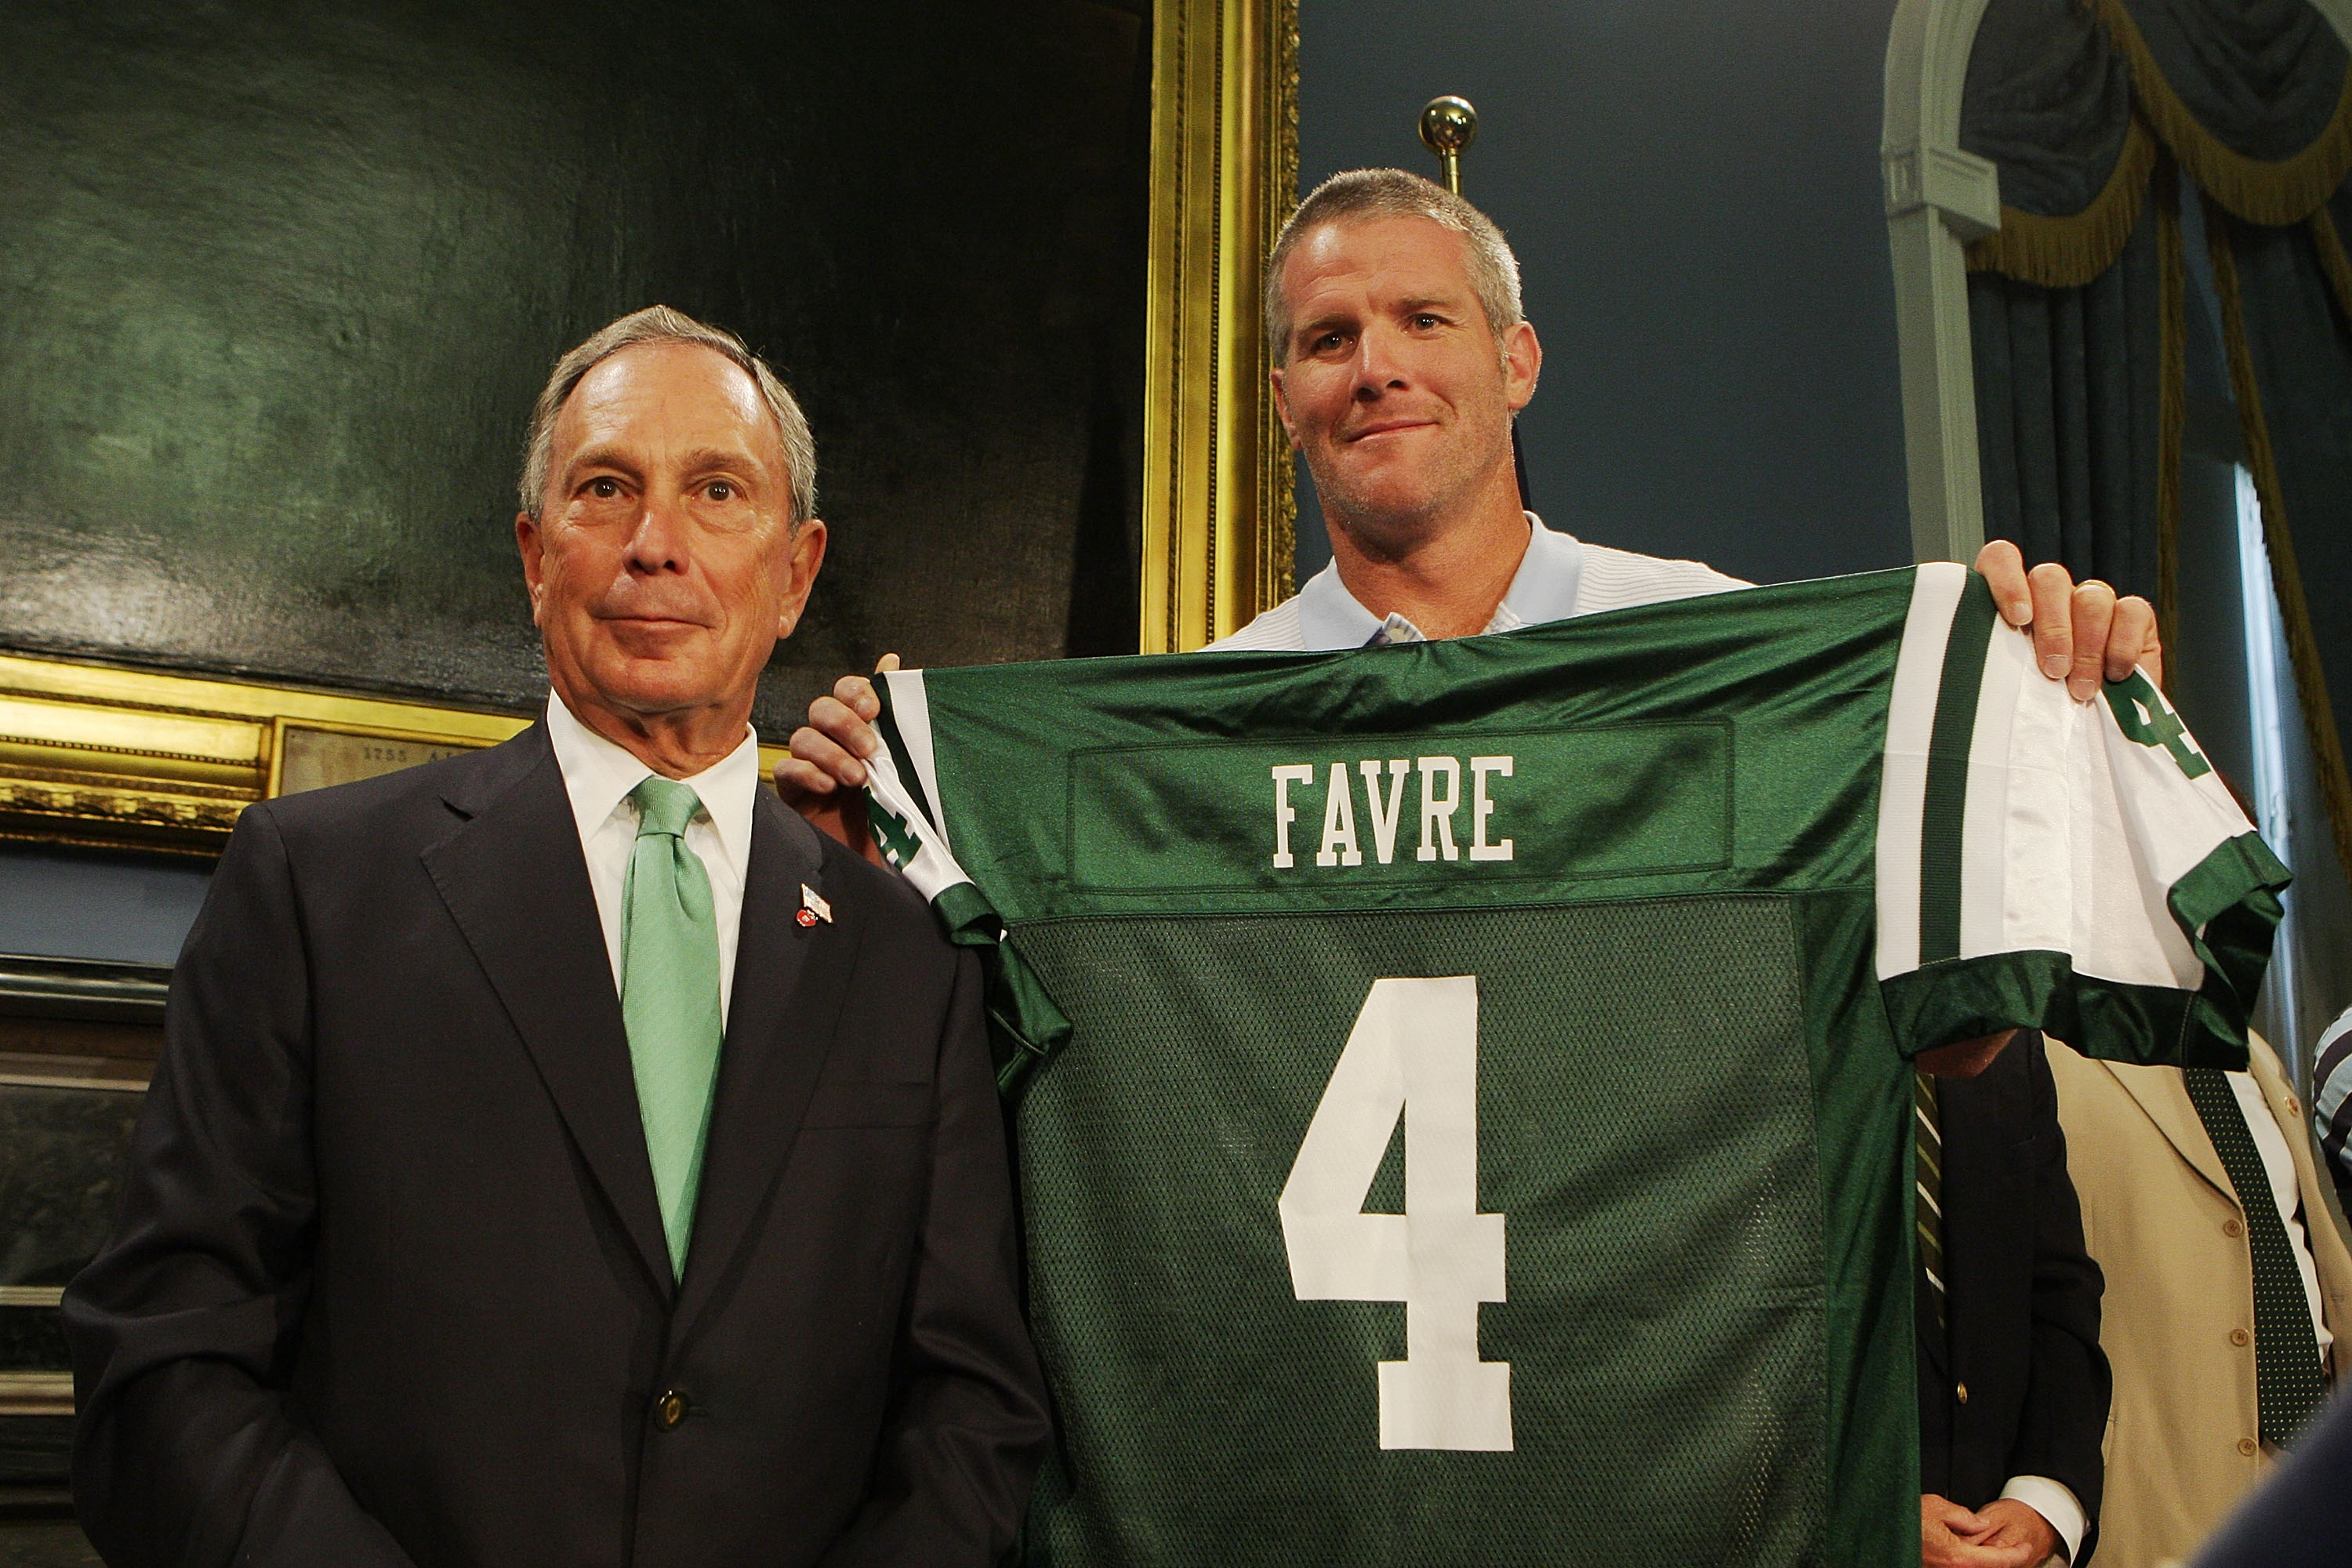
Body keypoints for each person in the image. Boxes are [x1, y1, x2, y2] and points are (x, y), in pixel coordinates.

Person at [777, 168, 2169, 1548]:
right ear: (1284, 401)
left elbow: (1954, 1050)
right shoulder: (1178, 745)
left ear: (1518, 360)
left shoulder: (1720, 663)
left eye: (1422, 321)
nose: (1374, 366)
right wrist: (875, 820)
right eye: (1328, 340)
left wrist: (2026, 707)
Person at [64, 307, 1051, 1567]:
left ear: (796, 573)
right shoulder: (316, 888)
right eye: (605, 489)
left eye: (715, 492)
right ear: (535, 557)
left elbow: (973, 1410)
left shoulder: (906, 957)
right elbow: (166, 1359)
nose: (657, 547)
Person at [2046, 1029, 2352, 1567]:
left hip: (2307, 1460)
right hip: (2156, 1487)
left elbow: (2294, 1235)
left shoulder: (2246, 1046)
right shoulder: (2040, 1043)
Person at [1918, 1033, 2108, 1567]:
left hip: (1998, 1541)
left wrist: (2046, 1500)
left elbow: (2058, 1286)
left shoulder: (2003, 1039)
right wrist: (1865, 1515)